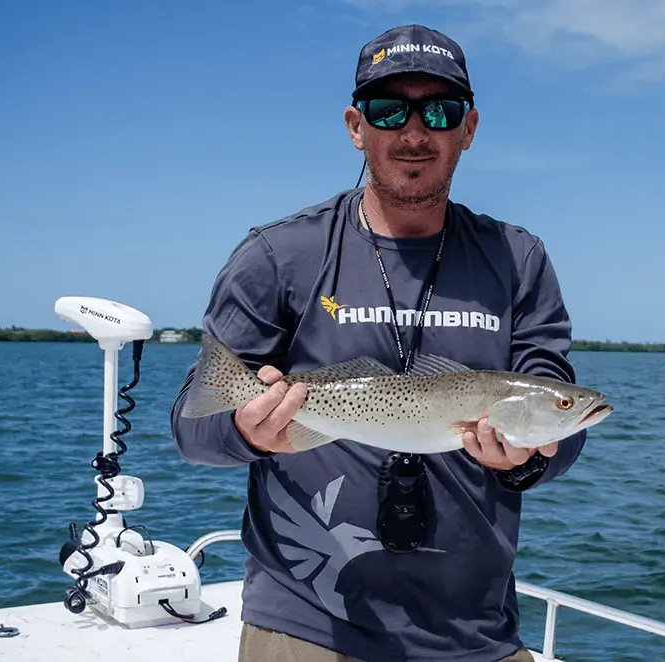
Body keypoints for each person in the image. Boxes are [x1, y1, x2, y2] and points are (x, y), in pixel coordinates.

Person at [171, 24, 589, 662]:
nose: (414, 132)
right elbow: (192, 429)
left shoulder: (519, 259)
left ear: (468, 129)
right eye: (389, 109)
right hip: (304, 625)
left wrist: (530, 458)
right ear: (355, 126)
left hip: (475, 632)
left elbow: (557, 414)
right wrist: (251, 431)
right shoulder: (277, 256)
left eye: (440, 111)